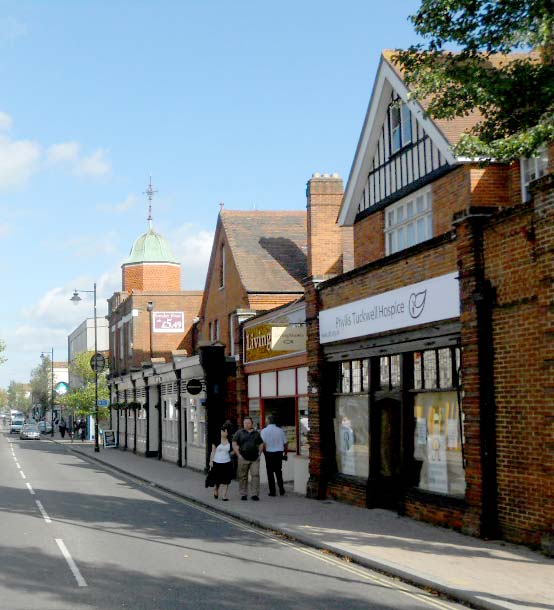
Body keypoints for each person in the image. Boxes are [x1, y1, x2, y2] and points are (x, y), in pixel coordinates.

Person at [232, 416, 263, 501]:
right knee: (243, 476)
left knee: (255, 475)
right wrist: (238, 455)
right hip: (243, 458)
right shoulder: (239, 433)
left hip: (254, 459)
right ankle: (243, 494)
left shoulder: (256, 433)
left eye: (248, 423)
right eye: (245, 423)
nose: (246, 424)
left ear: (251, 423)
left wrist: (259, 454)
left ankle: (254, 494)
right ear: (243, 423)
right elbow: (234, 443)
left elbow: (261, 444)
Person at [261, 415, 288, 496]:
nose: (265, 421)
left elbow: (262, 443)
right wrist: (285, 453)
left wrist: (262, 451)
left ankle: (272, 491)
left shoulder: (264, 431)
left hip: (269, 453)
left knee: (270, 473)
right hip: (279, 453)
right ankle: (281, 489)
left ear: (268, 421)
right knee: (278, 472)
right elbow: (286, 443)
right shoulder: (280, 430)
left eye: (266, 420)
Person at [209, 423, 234, 501]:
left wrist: (233, 453)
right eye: (223, 432)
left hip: (227, 463)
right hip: (217, 462)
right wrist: (211, 461)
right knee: (217, 480)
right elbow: (213, 451)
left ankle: (224, 496)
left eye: (227, 432)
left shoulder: (230, 440)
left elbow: (233, 451)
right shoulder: (216, 439)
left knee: (226, 480)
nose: (225, 433)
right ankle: (216, 489)